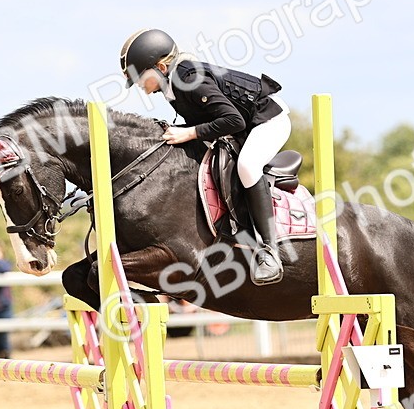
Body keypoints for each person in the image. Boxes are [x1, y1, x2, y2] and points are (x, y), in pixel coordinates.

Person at [120, 28, 290, 285]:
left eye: (140, 77)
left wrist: (189, 133)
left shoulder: (188, 79)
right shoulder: (171, 86)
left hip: (266, 121)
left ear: (160, 67)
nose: (139, 86)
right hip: (245, 125)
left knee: (247, 165)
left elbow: (233, 119)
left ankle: (270, 254)